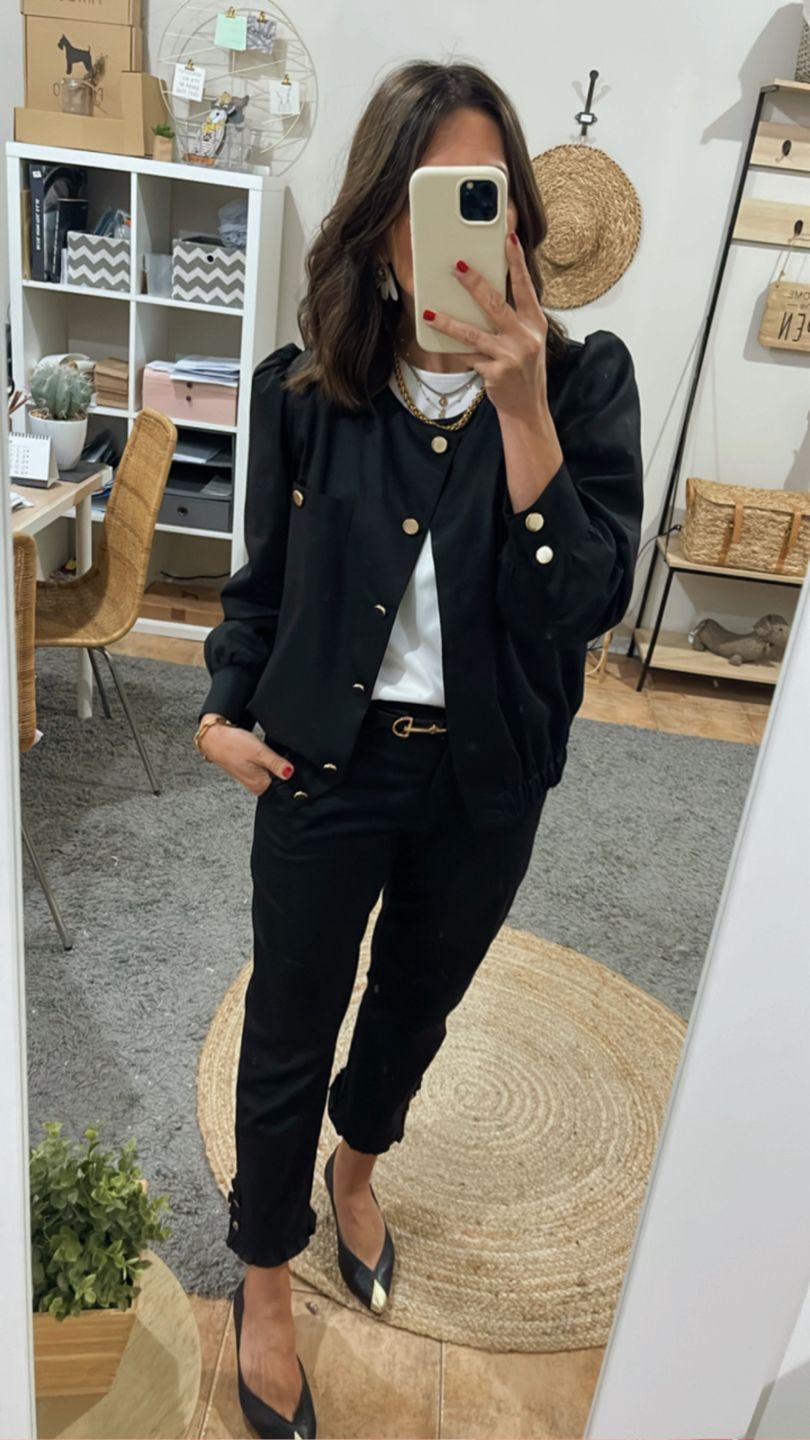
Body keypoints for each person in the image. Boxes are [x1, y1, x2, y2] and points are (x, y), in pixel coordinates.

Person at [194, 58, 644, 1440]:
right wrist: (220, 710)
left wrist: (524, 412)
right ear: (381, 224)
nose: (455, 227)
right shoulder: (304, 392)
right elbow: (264, 589)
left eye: (483, 194)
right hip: (322, 768)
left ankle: (359, 1164)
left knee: (413, 1008)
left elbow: (581, 604)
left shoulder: (586, 386)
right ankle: (265, 1278)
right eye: (428, 196)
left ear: (518, 221)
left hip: (484, 778)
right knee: (288, 1023)